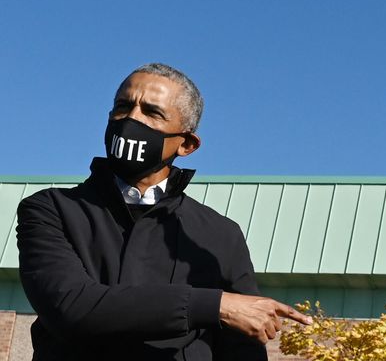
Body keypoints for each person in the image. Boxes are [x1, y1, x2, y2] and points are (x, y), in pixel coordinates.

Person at [17, 63, 312, 360]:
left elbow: (242, 350)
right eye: (123, 106)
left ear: (186, 144)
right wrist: (217, 306)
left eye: (151, 112)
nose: (131, 118)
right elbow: (71, 306)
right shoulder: (49, 209)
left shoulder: (220, 234)